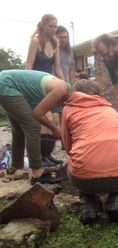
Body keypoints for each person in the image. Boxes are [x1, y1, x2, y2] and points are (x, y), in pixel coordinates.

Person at [61, 79, 118, 224]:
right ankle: (115, 200)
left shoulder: (68, 109)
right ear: (97, 94)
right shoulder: (110, 110)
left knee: (76, 163)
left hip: (84, 178)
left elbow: (67, 145)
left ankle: (89, 204)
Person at [0, 70, 71, 183]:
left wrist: (55, 129)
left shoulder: (55, 88)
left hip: (6, 84)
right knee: (32, 126)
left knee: (18, 130)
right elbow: (37, 114)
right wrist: (55, 130)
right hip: (7, 84)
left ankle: (16, 166)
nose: (59, 105)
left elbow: (36, 112)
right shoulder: (62, 88)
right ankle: (37, 172)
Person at [26, 14, 64, 167]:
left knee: (55, 120)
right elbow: (28, 65)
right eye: (51, 26)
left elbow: (58, 68)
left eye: (55, 26)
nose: (54, 29)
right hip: (37, 85)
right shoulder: (36, 41)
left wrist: (65, 85)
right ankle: (41, 157)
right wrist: (28, 88)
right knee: (46, 120)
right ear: (43, 25)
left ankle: (48, 154)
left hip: (51, 85)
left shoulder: (55, 44)